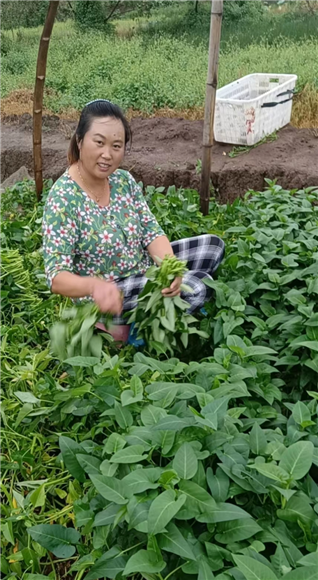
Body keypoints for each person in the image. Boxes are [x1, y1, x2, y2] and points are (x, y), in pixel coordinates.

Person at [42, 99, 225, 337]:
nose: (107, 154)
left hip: (142, 269)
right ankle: (127, 331)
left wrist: (170, 269)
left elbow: (151, 232)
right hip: (109, 292)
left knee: (213, 247)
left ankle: (152, 308)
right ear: (79, 141)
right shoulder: (63, 198)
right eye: (99, 143)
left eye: (116, 146)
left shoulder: (123, 181)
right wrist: (95, 286)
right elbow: (57, 277)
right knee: (200, 285)